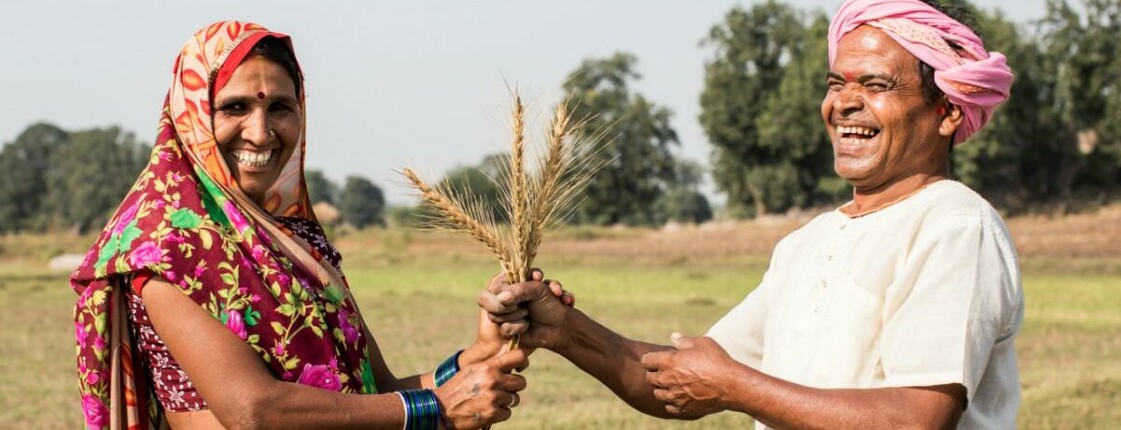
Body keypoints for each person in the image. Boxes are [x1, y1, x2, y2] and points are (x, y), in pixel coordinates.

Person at [480, 0, 1023, 428]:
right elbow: (680, 386)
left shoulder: (953, 227)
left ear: (949, 110)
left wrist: (734, 385)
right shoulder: (806, 244)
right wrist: (563, 330)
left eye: (876, 85)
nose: (845, 103)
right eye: (837, 84)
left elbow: (914, 421)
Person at [71, 21, 527, 430]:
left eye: (281, 108)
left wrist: (475, 357)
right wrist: (437, 409)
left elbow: (375, 389)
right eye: (234, 108)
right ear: (192, 116)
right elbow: (254, 409)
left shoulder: (299, 242)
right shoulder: (166, 248)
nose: (261, 132)